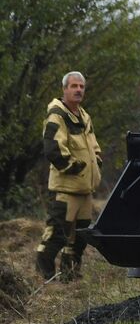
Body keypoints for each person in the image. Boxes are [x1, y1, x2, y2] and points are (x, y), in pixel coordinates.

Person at [36, 72, 101, 281]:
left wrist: (96, 163)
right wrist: (76, 167)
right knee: (56, 235)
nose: (78, 90)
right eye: (74, 86)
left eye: (81, 86)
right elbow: (53, 149)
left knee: (79, 238)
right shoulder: (57, 114)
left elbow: (94, 146)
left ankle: (70, 277)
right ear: (64, 89)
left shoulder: (84, 115)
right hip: (65, 189)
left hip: (85, 190)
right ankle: (44, 279)